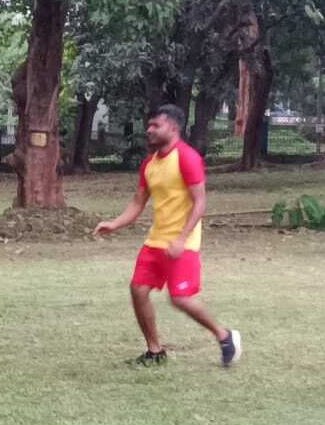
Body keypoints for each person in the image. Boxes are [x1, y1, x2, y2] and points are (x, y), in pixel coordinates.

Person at [94, 104, 242, 368]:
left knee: (180, 298)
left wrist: (182, 238)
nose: (149, 130)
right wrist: (115, 224)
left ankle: (224, 336)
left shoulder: (187, 157)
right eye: (148, 125)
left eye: (155, 125)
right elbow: (138, 203)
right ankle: (155, 351)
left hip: (182, 242)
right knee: (138, 290)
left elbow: (200, 202)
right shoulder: (149, 164)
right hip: (156, 240)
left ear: (173, 127)